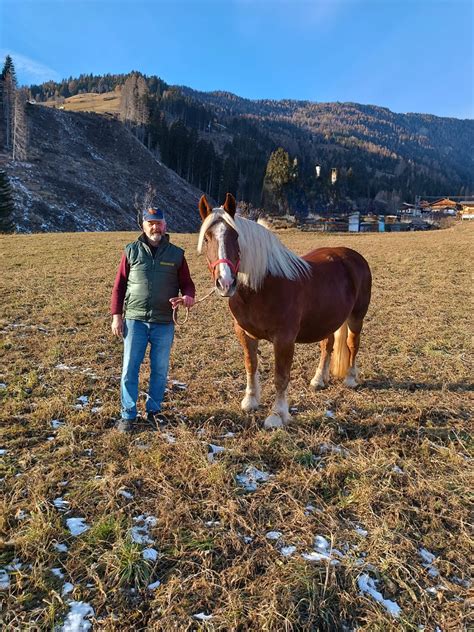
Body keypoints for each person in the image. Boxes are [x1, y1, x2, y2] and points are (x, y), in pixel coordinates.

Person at [110, 207, 195, 432]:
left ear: (165, 225)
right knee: (130, 368)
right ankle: (128, 415)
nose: (155, 227)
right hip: (134, 320)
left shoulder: (177, 254)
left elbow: (187, 283)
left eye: (159, 223)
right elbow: (119, 287)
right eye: (151, 223)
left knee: (159, 368)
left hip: (164, 322)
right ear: (143, 226)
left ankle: (154, 412)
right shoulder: (131, 251)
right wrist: (117, 316)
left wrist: (188, 296)